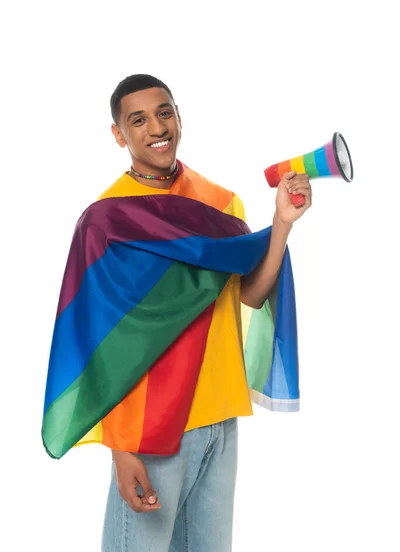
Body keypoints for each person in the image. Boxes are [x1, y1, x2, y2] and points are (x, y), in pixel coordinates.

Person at [96, 74, 312, 551]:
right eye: (139, 119)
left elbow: (250, 296)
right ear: (119, 134)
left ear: (178, 116)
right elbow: (105, 345)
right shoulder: (110, 217)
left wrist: (281, 223)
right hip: (153, 428)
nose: (157, 127)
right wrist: (120, 449)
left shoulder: (220, 202)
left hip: (220, 420)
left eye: (165, 112)